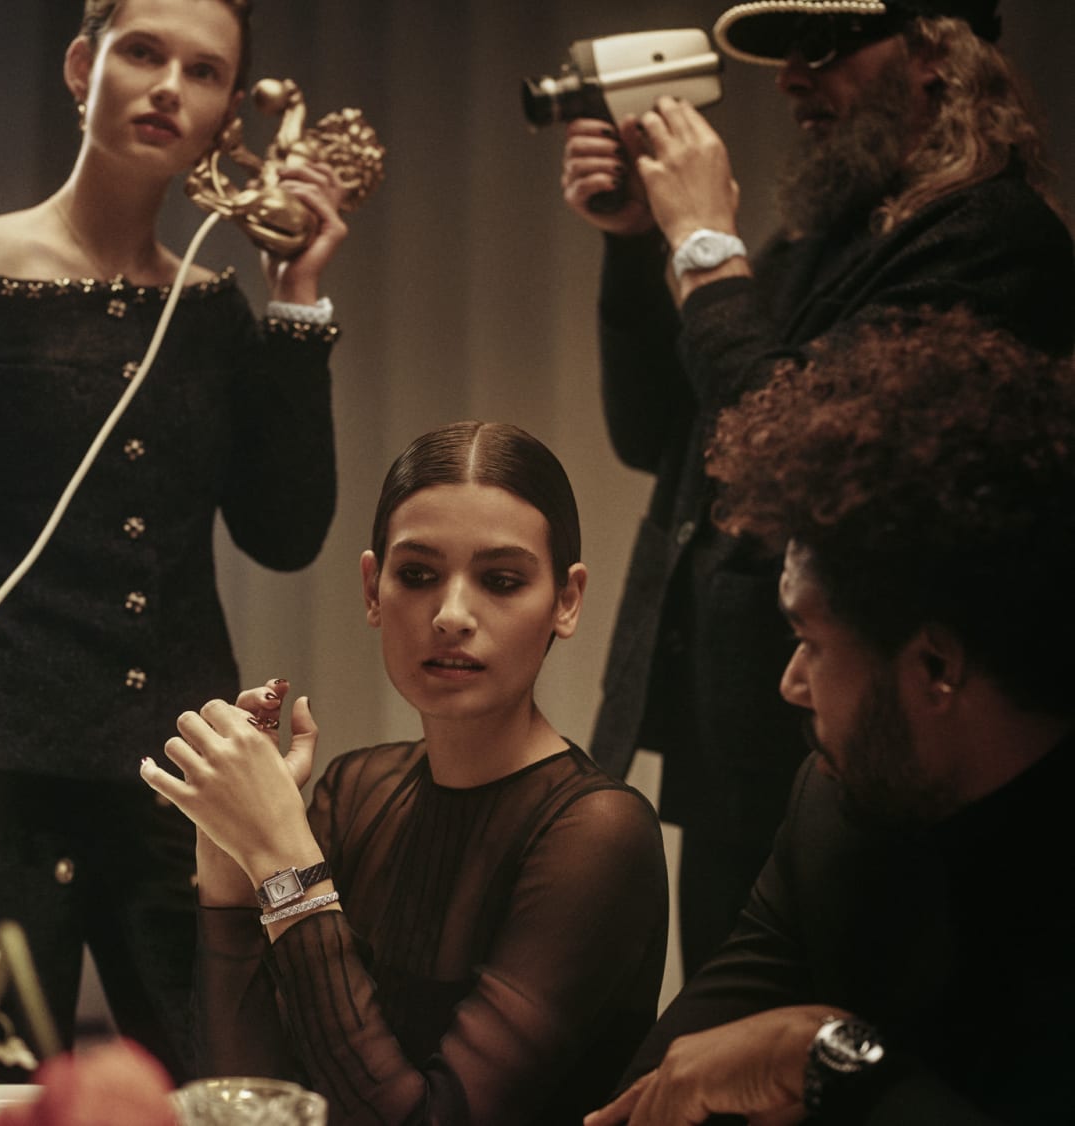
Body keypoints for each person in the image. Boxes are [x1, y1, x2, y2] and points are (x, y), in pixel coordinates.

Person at [0, 0, 350, 1078]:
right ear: (83, 66)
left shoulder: (214, 311)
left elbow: (286, 532)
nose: (170, 85)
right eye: (143, 52)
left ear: (228, 116)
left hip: (180, 776)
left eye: (204, 71)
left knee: (213, 1079)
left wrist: (297, 299)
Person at [559, 0, 1075, 976]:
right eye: (787, 53)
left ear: (936, 53)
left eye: (825, 45)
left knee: (812, 1033)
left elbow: (792, 447)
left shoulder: (994, 236)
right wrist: (636, 244)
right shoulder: (823, 241)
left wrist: (705, 244)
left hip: (860, 752)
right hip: (737, 742)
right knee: (720, 1023)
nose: (794, 77)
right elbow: (660, 437)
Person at [584, 308, 1075, 1126]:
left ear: (935, 666)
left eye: (809, 641)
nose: (791, 684)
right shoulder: (834, 812)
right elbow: (648, 1103)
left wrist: (819, 1056)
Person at [143, 422, 670, 1124]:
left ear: (566, 601)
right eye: (417, 575)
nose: (451, 615)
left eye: (501, 581)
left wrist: (281, 855)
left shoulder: (599, 834)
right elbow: (248, 1107)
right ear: (373, 587)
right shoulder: (355, 790)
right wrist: (230, 860)